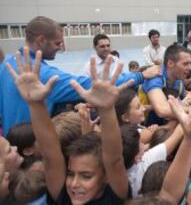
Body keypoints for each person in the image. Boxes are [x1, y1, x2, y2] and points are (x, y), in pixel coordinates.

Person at [7, 50, 132, 204]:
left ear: (107, 177)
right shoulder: (63, 196)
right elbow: (50, 154)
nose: (74, 184)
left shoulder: (114, 195)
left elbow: (114, 159)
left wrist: (106, 109)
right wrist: (36, 103)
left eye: (86, 176)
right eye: (70, 174)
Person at [0, 16, 160, 136]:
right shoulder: (43, 74)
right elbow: (90, 85)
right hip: (36, 144)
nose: (60, 48)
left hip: (15, 139)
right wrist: (141, 75)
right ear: (41, 40)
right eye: (57, 43)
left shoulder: (7, 64)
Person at [140, 44, 191, 126]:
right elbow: (162, 110)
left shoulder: (179, 81)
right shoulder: (155, 77)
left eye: (190, 63)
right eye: (185, 64)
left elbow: (181, 99)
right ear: (170, 63)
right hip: (147, 129)